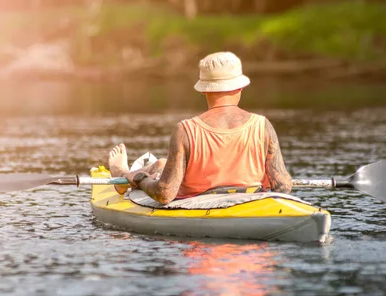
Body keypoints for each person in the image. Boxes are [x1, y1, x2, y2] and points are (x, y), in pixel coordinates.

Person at [109, 51, 292, 205]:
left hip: (197, 206)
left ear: (204, 89)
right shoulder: (263, 125)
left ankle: (125, 175)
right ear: (241, 87)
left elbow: (165, 194)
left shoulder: (185, 130)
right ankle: (132, 173)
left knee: (161, 167)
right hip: (251, 202)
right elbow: (283, 186)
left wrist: (141, 180)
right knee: (162, 164)